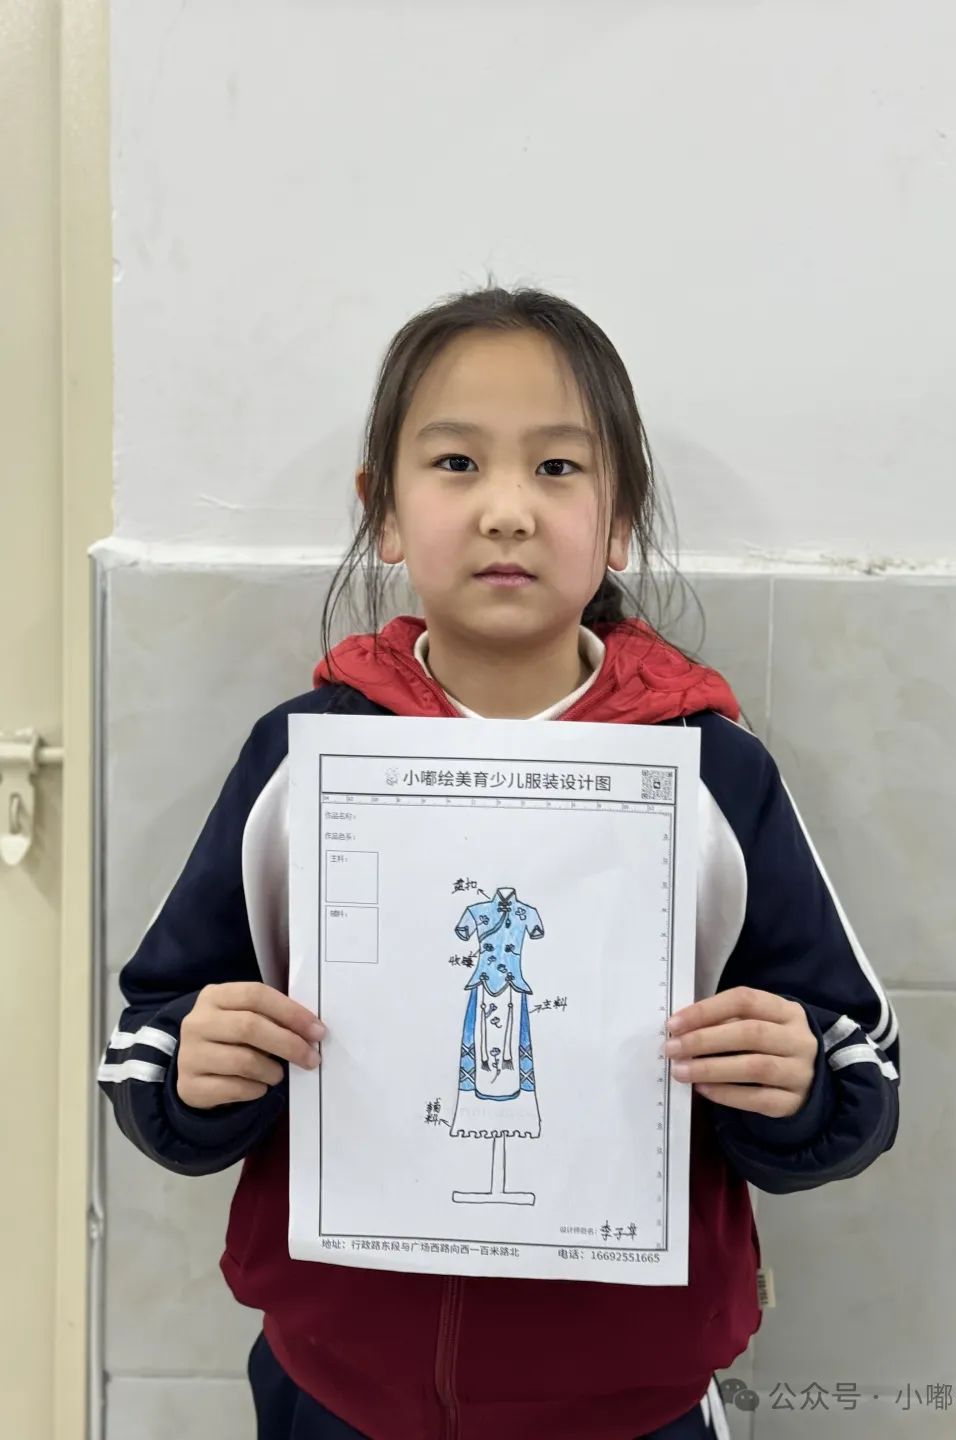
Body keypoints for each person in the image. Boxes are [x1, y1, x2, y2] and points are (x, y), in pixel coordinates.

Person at [98, 285, 901, 1440]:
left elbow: (861, 1062)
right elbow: (153, 1031)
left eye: (559, 468)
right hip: (337, 1395)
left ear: (620, 523)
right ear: (383, 512)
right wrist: (195, 1067)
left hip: (634, 1406)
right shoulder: (304, 762)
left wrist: (798, 1081)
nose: (508, 511)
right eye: (457, 464)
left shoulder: (710, 774)